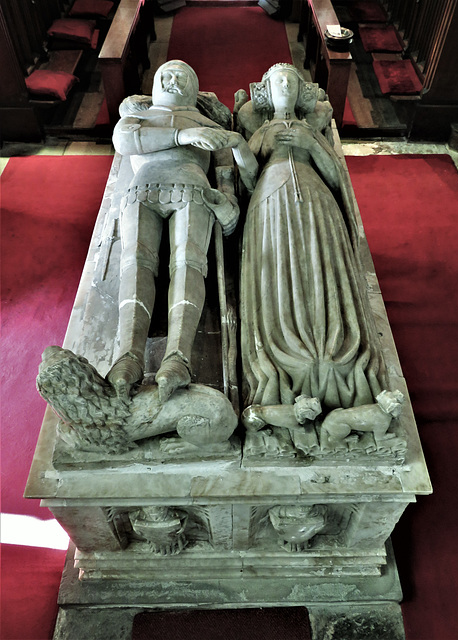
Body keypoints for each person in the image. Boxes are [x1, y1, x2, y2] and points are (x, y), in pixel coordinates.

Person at [239, 63, 386, 413]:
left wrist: (312, 144)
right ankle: (291, 354)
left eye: (292, 79)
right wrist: (239, 148)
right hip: (270, 205)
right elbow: (246, 179)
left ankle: (332, 349)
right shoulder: (259, 130)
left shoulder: (312, 128)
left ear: (302, 91)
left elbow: (337, 179)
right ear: (267, 92)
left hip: (316, 200)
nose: (285, 84)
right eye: (278, 81)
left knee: (322, 269)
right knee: (278, 274)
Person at [109, 60, 256, 402]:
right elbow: (125, 140)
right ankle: (127, 356)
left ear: (194, 87)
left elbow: (225, 170)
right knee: (135, 262)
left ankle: (178, 358)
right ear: (155, 85)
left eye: (182, 77)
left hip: (192, 189)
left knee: (189, 264)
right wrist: (183, 135)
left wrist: (227, 202)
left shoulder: (206, 121)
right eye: (166, 76)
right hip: (142, 188)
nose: (174, 81)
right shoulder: (140, 116)